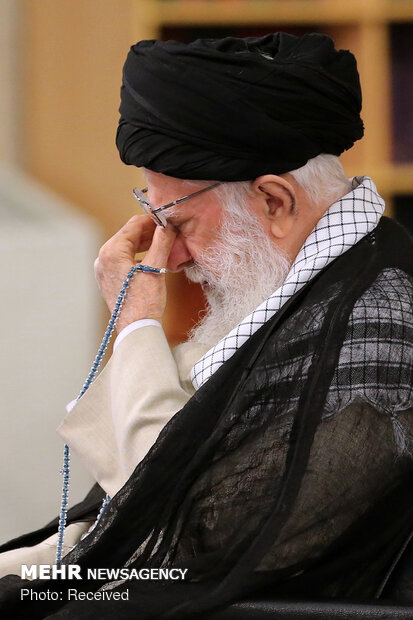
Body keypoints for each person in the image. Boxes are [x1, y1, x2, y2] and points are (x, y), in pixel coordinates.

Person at [0, 32, 412, 619]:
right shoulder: (300, 288)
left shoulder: (381, 322)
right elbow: (124, 525)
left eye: (178, 222)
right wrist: (20, 572)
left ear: (274, 201)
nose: (168, 258)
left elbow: (175, 530)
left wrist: (137, 322)